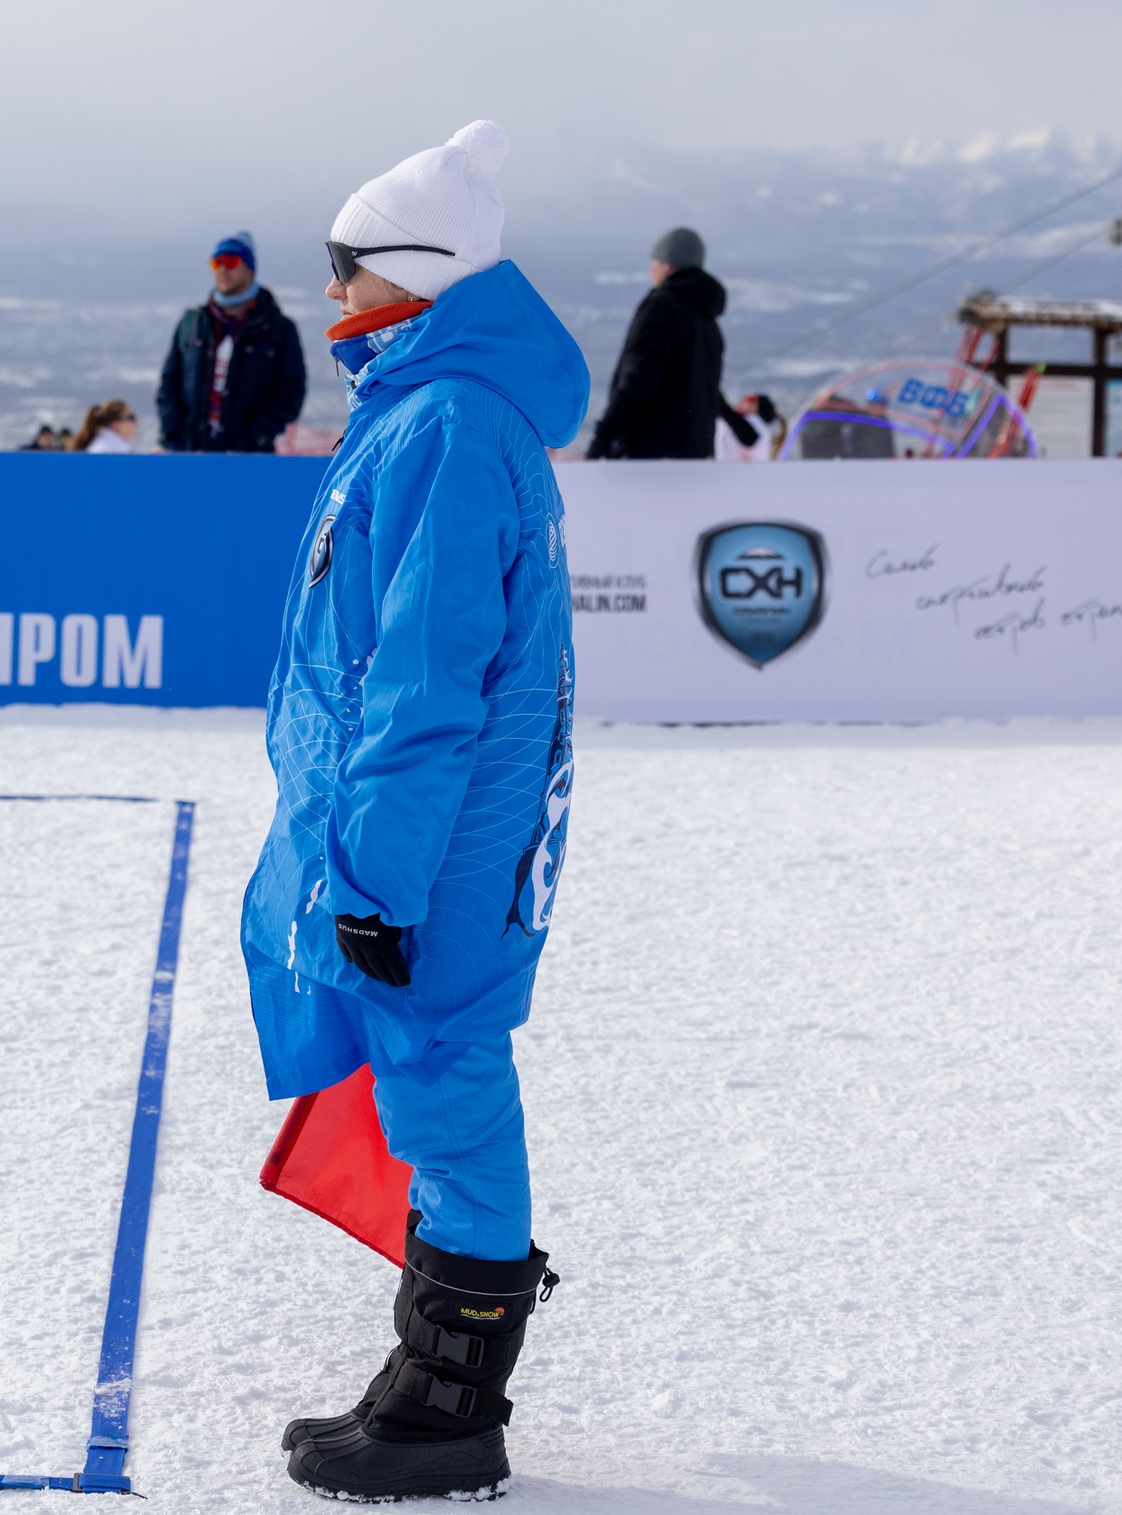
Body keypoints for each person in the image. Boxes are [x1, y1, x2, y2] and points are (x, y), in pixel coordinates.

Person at [240, 119, 586, 1502]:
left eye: (350, 271)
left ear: (420, 277)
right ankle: (427, 1375)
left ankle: (452, 1407)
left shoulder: (445, 423)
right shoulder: (429, 408)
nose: (331, 299)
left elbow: (427, 683)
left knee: (444, 1075)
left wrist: (373, 878)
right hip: (430, 837)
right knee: (428, 1074)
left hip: (435, 848)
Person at [585, 228, 729, 459]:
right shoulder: (707, 320)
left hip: (651, 457)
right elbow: (710, 391)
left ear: (668, 265)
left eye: (655, 261)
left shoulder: (662, 309)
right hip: (697, 455)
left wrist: (604, 436)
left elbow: (640, 379)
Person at [157, 232, 306, 453]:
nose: (222, 269)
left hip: (248, 458)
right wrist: (176, 434)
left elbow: (290, 393)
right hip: (190, 453)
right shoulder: (193, 323)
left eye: (231, 261)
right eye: (216, 263)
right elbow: (169, 383)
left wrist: (256, 437)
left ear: (250, 268)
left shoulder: (278, 328)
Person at [718, 392, 785, 460]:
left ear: (755, 408)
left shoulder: (752, 422)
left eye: (750, 398)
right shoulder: (763, 430)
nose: (743, 399)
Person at [70, 399, 140, 454]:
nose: (136, 422)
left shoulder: (111, 447)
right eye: (131, 417)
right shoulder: (108, 450)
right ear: (115, 424)